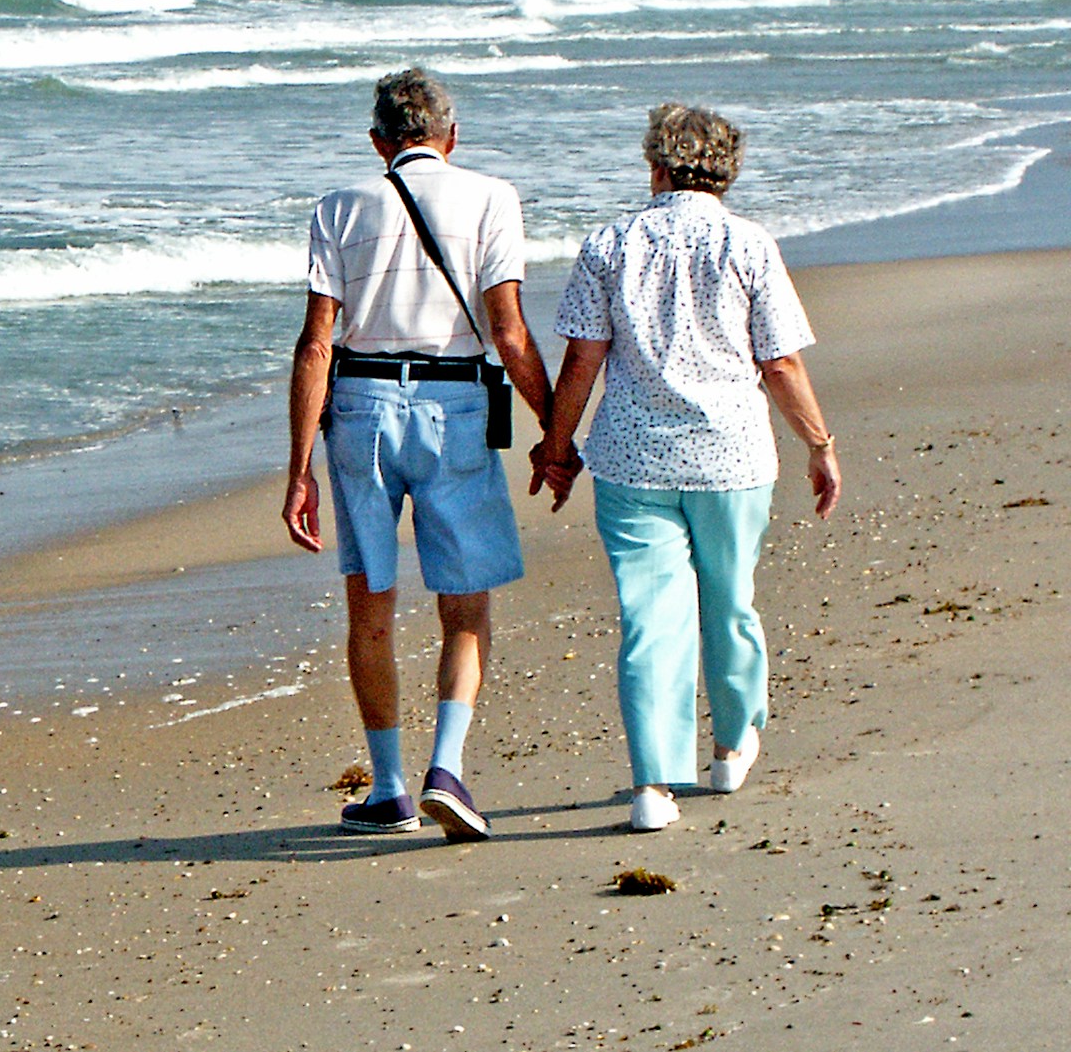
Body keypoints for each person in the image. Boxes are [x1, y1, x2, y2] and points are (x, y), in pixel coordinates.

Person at [535, 103, 841, 833]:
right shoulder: (749, 244)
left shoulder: (609, 243)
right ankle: (733, 744)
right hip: (732, 457)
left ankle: (653, 785)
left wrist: (555, 445)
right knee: (730, 604)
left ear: (656, 165)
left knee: (651, 622)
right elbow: (780, 361)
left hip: (633, 460)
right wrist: (820, 444)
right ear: (726, 169)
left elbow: (583, 358)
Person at [284, 68, 555, 841]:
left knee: (371, 603)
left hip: (361, 408)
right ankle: (448, 766)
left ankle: (391, 787)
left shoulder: (338, 207)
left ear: (378, 143)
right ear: (452, 135)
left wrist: (299, 466)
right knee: (465, 604)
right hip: (456, 405)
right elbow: (508, 331)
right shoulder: (491, 197)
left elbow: (314, 345)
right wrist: (555, 432)